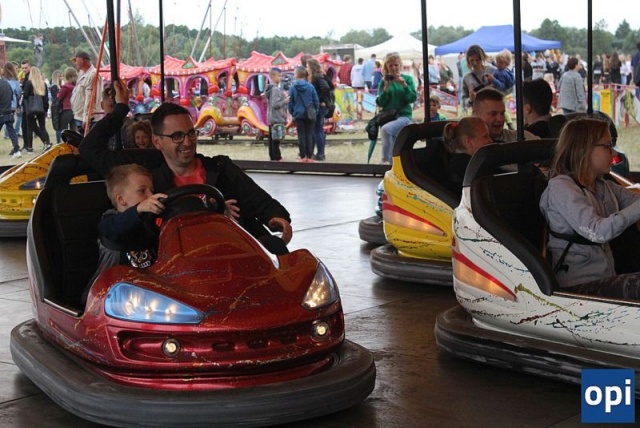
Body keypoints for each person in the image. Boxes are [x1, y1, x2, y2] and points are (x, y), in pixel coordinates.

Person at [80, 80, 293, 255]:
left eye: (191, 133)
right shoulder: (145, 174)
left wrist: (274, 215)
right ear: (157, 142)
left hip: (231, 256)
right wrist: (120, 109)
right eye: (177, 136)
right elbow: (89, 149)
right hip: (178, 266)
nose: (187, 142)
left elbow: (258, 201)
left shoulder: (220, 168)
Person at [539, 118, 640, 300]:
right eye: (607, 146)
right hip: (577, 288)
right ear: (584, 149)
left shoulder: (603, 186)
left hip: (605, 278)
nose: (613, 152)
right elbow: (597, 231)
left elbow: (634, 203)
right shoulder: (561, 188)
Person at [86, 164, 166, 302]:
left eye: (151, 191)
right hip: (108, 296)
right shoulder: (110, 221)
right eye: (142, 191)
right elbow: (115, 229)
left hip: (148, 291)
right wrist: (138, 210)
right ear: (121, 199)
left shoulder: (151, 222)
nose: (150, 196)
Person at [376, 52, 417, 164]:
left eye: (396, 65)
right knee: (394, 145)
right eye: (390, 65)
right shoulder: (384, 81)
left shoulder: (407, 79)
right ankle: (393, 166)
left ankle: (385, 161)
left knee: (386, 130)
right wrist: (386, 88)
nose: (393, 68)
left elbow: (412, 98)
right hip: (388, 117)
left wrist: (405, 86)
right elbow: (380, 102)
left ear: (400, 65)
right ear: (386, 67)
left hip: (403, 116)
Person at [442, 117, 492, 195]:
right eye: (485, 137)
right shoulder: (469, 167)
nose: (490, 141)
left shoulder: (458, 161)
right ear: (468, 142)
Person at [472, 87, 536, 142]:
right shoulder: (468, 145)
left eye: (502, 113)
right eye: (493, 114)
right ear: (476, 114)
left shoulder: (524, 139)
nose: (500, 119)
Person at [288, 66, 318, 163]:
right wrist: (315, 111)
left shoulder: (293, 87)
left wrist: (293, 112)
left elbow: (290, 102)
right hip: (310, 114)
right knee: (310, 134)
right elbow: (315, 101)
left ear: (296, 75)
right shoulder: (310, 87)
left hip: (298, 114)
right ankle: (309, 156)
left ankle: (302, 156)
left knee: (301, 135)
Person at [70, 50, 103, 135]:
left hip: (89, 119)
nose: (75, 63)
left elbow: (91, 97)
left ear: (81, 60)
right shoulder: (82, 74)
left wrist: (86, 117)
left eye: (76, 60)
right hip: (81, 116)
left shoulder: (92, 75)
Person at [307, 58, 332, 161]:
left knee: (317, 130)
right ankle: (317, 153)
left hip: (320, 106)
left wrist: (319, 100)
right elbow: (331, 86)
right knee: (317, 130)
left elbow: (326, 88)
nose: (307, 68)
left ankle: (320, 153)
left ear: (312, 67)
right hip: (320, 106)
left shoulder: (317, 77)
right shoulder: (321, 76)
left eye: (308, 66)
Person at [22, 66, 51, 152]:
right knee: (42, 127)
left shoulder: (29, 83)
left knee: (30, 128)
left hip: (31, 107)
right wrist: (45, 109)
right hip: (41, 108)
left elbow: (25, 96)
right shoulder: (43, 84)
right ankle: (47, 143)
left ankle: (30, 147)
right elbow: (46, 98)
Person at [462, 45, 496, 109]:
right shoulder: (466, 78)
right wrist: (471, 99)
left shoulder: (492, 70)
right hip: (478, 111)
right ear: (468, 60)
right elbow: (464, 101)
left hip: (494, 108)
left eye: (477, 60)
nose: (475, 63)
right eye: (472, 60)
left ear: (482, 58)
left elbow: (506, 88)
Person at [264, 67, 287, 161]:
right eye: (279, 76)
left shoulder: (270, 89)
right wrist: (285, 101)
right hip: (276, 117)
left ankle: (272, 156)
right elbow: (275, 104)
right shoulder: (276, 90)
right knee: (276, 139)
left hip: (271, 117)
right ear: (272, 76)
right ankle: (277, 157)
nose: (281, 78)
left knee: (272, 138)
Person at [2, 62, 22, 158]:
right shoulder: (15, 82)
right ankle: (16, 148)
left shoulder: (3, 81)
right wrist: (17, 105)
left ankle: (16, 149)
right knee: (11, 127)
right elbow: (18, 94)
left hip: (3, 106)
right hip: (12, 106)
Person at [57, 67, 77, 133]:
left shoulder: (66, 87)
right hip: (75, 110)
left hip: (66, 109)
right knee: (74, 130)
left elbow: (60, 97)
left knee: (64, 130)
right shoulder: (77, 85)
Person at [19, 60, 31, 151]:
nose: (24, 69)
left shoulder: (30, 77)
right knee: (24, 125)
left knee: (29, 126)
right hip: (25, 104)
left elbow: (26, 93)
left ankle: (28, 145)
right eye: (22, 68)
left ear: (29, 67)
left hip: (29, 104)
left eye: (26, 68)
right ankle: (26, 144)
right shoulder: (24, 77)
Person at [50, 69, 63, 144]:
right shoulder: (54, 87)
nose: (62, 78)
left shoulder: (60, 86)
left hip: (59, 107)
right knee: (57, 126)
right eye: (60, 76)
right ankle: (58, 141)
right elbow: (56, 98)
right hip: (56, 108)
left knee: (60, 125)